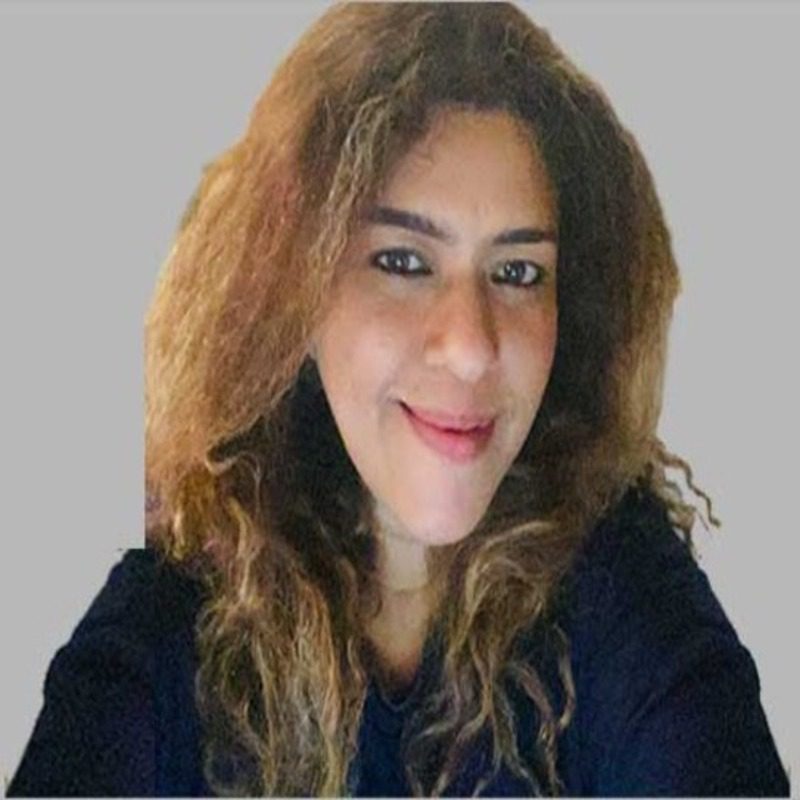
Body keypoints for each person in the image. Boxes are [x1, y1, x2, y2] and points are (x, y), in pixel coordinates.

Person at [8, 2, 790, 797]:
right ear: (295, 294)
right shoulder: (167, 630)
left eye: (518, 272)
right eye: (404, 262)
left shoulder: (629, 605)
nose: (472, 345)